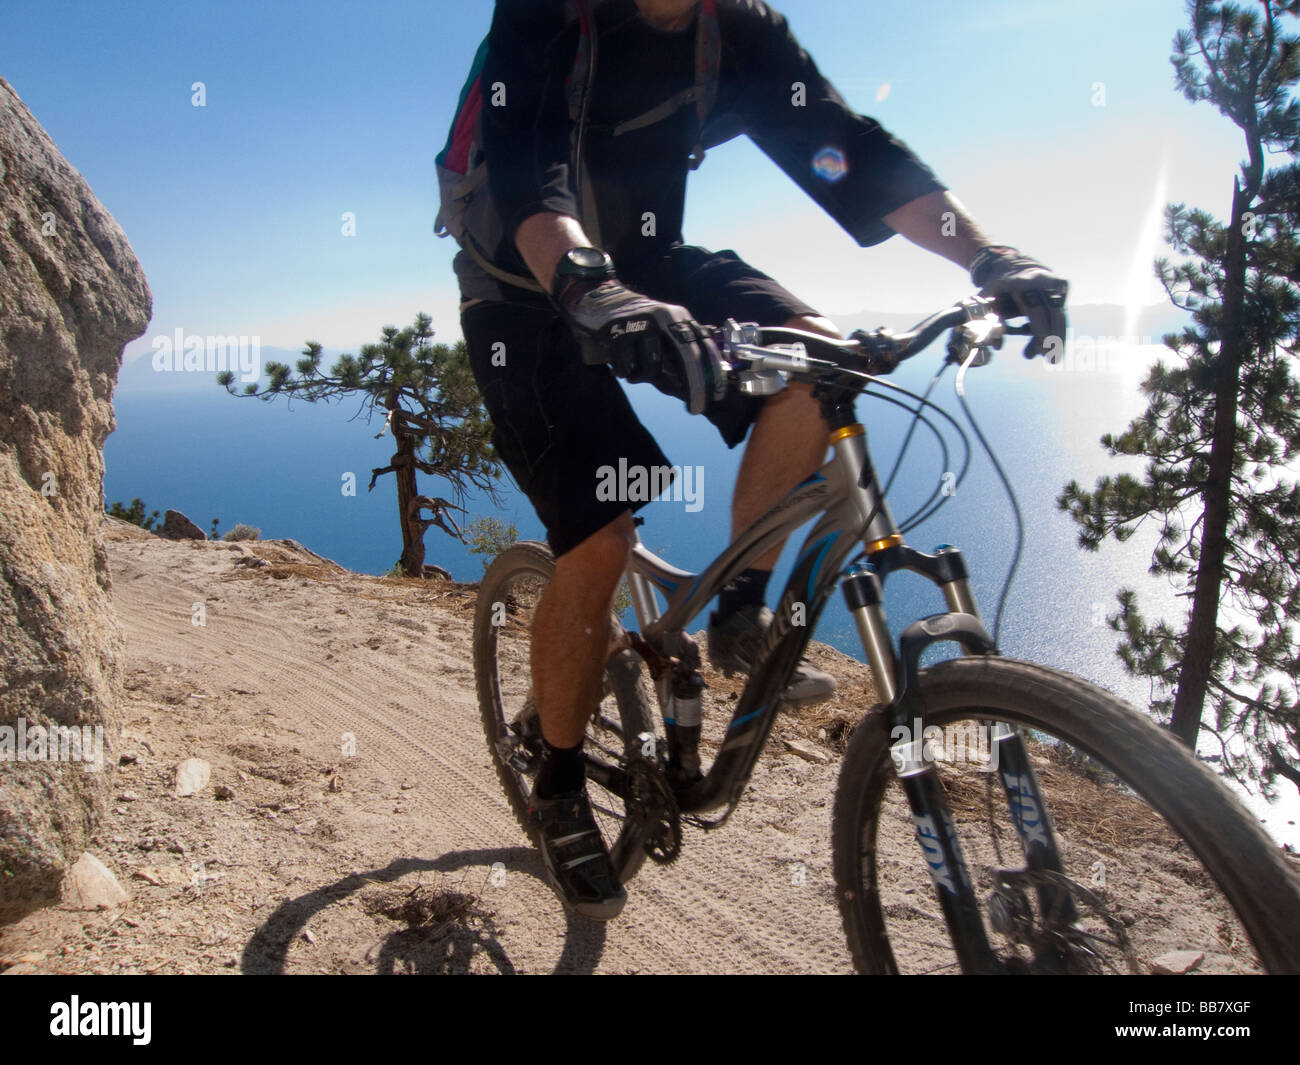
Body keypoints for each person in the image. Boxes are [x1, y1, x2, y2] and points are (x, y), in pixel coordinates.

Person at [439, 0, 1068, 920]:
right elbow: (528, 169)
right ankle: (559, 777)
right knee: (600, 535)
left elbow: (846, 147)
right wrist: (589, 289)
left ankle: (740, 613)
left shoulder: (733, 29)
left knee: (820, 367)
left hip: (649, 264)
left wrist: (987, 254)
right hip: (521, 287)